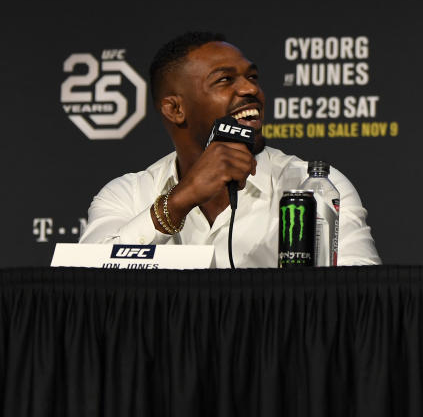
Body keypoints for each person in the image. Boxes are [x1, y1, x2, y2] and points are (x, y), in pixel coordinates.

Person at [79, 32, 381, 267]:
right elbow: (82, 285)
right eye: (225, 80)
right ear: (174, 109)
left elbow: (359, 296)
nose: (251, 90)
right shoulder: (127, 195)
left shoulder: (315, 187)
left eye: (252, 77)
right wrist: (182, 198)